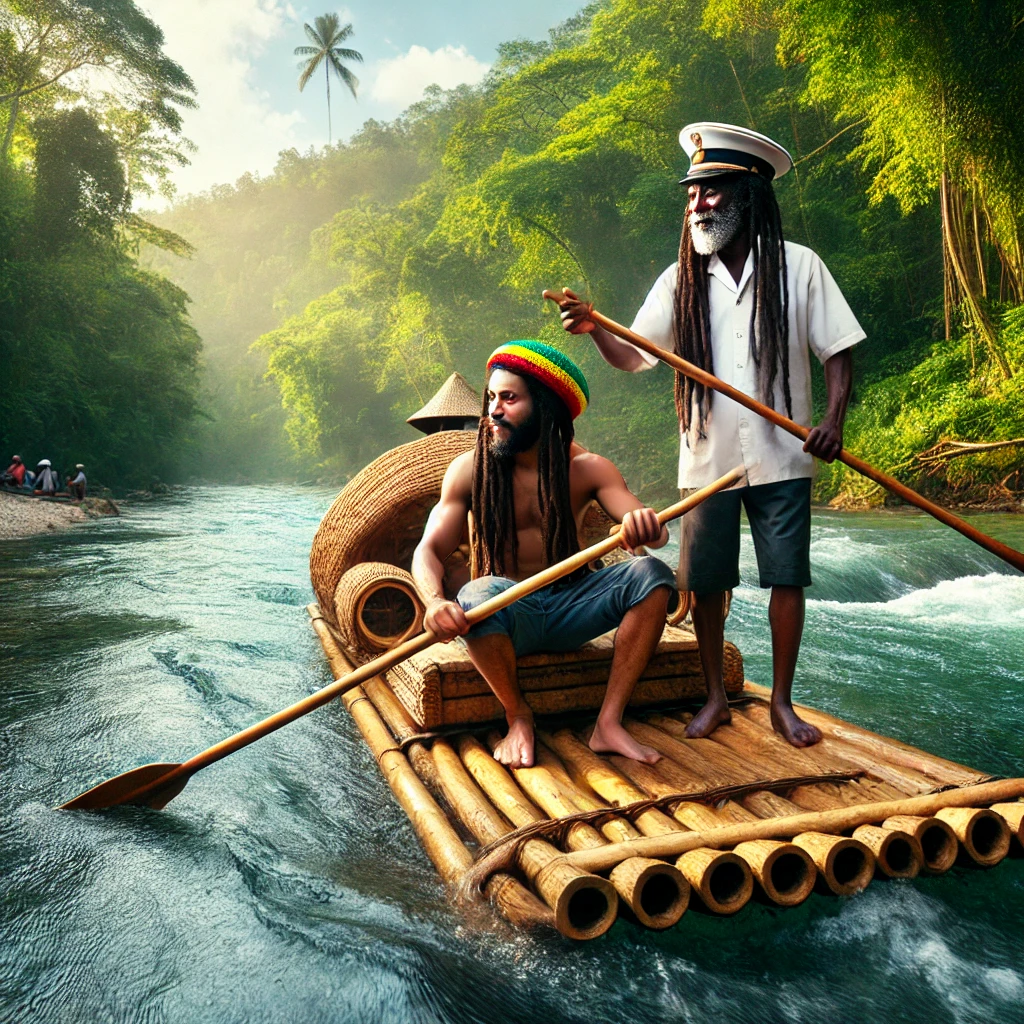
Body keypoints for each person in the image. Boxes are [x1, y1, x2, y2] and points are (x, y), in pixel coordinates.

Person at [556, 122, 864, 748]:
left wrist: (832, 420)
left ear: (748, 195)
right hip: (707, 459)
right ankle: (716, 698)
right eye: (691, 193)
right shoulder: (680, 281)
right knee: (705, 582)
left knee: (787, 577)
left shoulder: (799, 267)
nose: (696, 204)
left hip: (785, 455)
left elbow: (838, 350)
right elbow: (633, 356)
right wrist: (594, 329)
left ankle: (781, 703)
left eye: (711, 192)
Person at [412, 340, 679, 769]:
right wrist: (434, 602)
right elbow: (428, 550)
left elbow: (652, 528)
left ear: (546, 406)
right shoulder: (468, 470)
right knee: (477, 593)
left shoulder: (589, 468)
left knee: (651, 572)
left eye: (510, 398)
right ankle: (518, 716)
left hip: (573, 606)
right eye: (491, 398)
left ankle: (608, 724)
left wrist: (643, 524)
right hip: (505, 613)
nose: (494, 410)